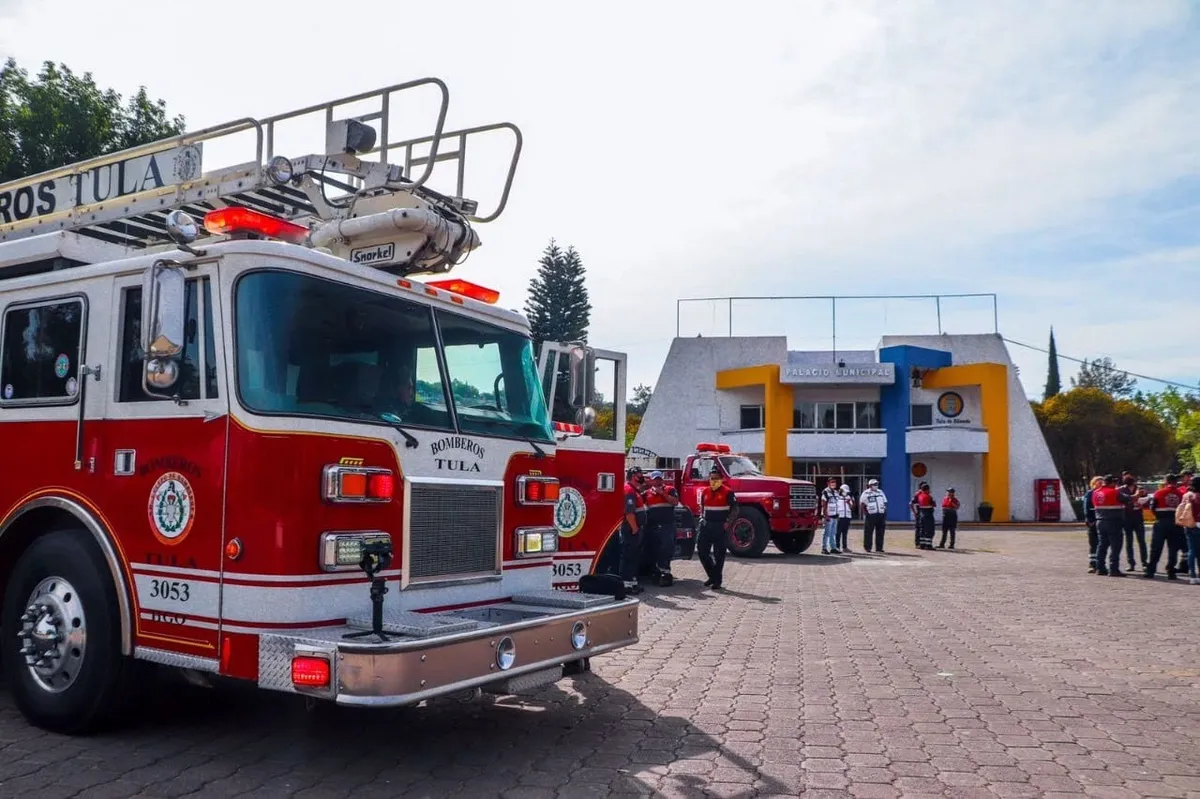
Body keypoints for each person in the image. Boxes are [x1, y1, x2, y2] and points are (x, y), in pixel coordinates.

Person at [698, 471, 738, 590]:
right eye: (711, 478)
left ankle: (717, 580)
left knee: (719, 554)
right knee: (702, 551)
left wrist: (727, 523)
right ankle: (712, 575)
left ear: (721, 479)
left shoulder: (728, 492)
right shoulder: (705, 492)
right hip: (706, 525)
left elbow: (735, 509)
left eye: (716, 478)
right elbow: (702, 507)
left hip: (720, 526)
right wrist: (701, 518)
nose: (713, 481)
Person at [642, 470, 680, 587]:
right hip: (652, 526)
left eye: (659, 479)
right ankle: (656, 572)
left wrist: (662, 493)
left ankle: (665, 572)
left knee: (667, 548)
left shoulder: (670, 489)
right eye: (655, 479)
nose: (657, 481)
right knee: (653, 549)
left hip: (667, 525)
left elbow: (675, 502)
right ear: (651, 480)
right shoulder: (646, 493)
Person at [1144, 474, 1184, 580]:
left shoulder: (1159, 493)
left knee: (1156, 548)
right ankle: (1171, 571)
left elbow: (1152, 507)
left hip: (1161, 523)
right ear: (1175, 482)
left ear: (1166, 481)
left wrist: (1158, 516)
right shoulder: (1180, 494)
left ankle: (1151, 570)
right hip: (1176, 524)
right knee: (1173, 549)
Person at [617, 468, 647, 594]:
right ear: (633, 476)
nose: (641, 477)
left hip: (635, 529)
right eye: (639, 474)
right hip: (630, 529)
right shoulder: (629, 490)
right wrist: (635, 528)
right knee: (629, 556)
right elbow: (629, 513)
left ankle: (632, 582)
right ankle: (626, 584)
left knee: (635, 557)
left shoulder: (635, 490)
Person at [1092, 474, 1129, 576]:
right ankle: (1113, 569)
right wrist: (1138, 494)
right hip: (1114, 522)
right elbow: (1128, 499)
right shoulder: (1115, 492)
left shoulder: (1096, 492)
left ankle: (1100, 568)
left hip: (1100, 521)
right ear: (1112, 482)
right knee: (1116, 546)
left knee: (1102, 545)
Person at [1121, 472, 1148, 573]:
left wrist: (1143, 504)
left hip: (1138, 516)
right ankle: (1131, 563)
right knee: (1129, 541)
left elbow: (1147, 501)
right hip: (1127, 517)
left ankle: (1144, 563)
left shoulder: (1140, 488)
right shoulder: (1121, 490)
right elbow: (1121, 501)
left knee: (1141, 541)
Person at [1179, 475, 1200, 585]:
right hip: (1198, 524)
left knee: (1192, 550)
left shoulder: (1187, 495)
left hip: (1189, 524)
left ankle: (1192, 575)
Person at [859, 478, 888, 552]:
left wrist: (884, 510)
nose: (876, 485)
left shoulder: (880, 492)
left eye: (877, 484)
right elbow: (862, 504)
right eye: (875, 484)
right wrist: (866, 513)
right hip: (871, 515)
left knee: (880, 532)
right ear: (870, 485)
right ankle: (868, 547)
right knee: (868, 532)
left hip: (880, 515)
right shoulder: (866, 493)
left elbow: (885, 502)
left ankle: (879, 548)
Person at [1083, 475, 1103, 573]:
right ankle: (1092, 564)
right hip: (1093, 522)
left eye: (1102, 482)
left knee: (1102, 543)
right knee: (1093, 543)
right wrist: (1090, 520)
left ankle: (1100, 564)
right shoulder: (1090, 493)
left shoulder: (1102, 493)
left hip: (1102, 521)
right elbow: (1086, 508)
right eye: (1099, 482)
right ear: (1093, 484)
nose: (1101, 484)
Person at [820, 478, 841, 554]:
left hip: (835, 516)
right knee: (827, 533)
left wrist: (838, 514)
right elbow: (823, 504)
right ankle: (824, 548)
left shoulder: (836, 492)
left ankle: (833, 548)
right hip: (828, 516)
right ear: (828, 483)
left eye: (835, 482)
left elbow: (837, 503)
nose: (833, 484)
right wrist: (826, 515)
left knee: (833, 533)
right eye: (832, 482)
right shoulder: (825, 492)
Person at [913, 482, 936, 550]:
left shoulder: (919, 496)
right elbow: (934, 504)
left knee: (922, 530)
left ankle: (922, 545)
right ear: (927, 489)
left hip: (921, 514)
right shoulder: (929, 496)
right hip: (928, 514)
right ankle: (928, 545)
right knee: (929, 530)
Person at [836, 484, 854, 553]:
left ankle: (845, 547)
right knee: (838, 533)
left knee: (845, 533)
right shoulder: (837, 497)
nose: (845, 492)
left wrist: (849, 503)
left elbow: (852, 507)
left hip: (847, 517)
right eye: (844, 491)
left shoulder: (849, 497)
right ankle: (837, 547)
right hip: (840, 517)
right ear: (841, 490)